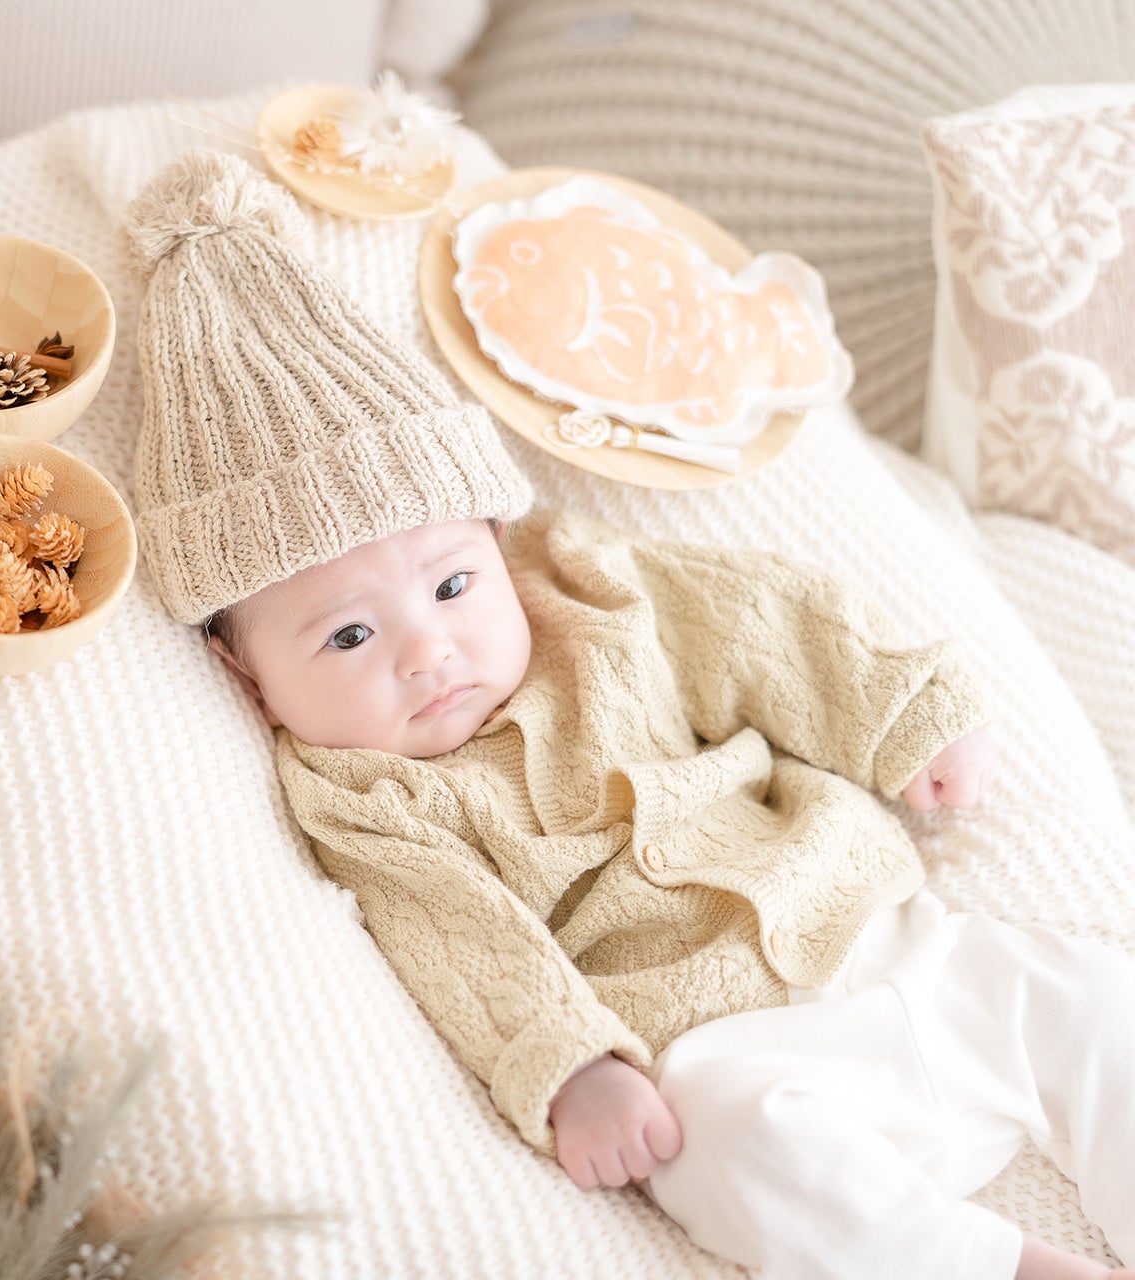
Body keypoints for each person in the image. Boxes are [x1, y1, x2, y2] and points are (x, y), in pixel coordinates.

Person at [124, 148, 1135, 1280]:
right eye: (349, 636)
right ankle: (992, 1265)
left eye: (454, 584)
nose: (430, 649)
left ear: (497, 543)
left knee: (1087, 995)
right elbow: (461, 939)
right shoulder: (366, 793)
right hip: (727, 1046)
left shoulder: (584, 591)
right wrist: (571, 1067)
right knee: (726, 1148)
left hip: (883, 934)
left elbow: (764, 624)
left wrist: (902, 709)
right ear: (247, 676)